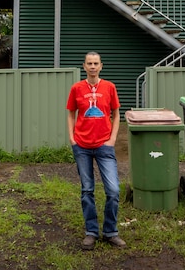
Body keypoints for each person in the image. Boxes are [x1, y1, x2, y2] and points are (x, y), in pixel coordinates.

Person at [66, 51, 126, 250]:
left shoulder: (109, 87)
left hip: (103, 146)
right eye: (89, 63)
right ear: (84, 66)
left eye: (96, 63)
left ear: (101, 66)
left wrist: (113, 139)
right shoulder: (77, 88)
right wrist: (72, 138)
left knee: (113, 190)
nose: (92, 66)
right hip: (82, 146)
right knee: (87, 190)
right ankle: (91, 232)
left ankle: (110, 231)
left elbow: (117, 114)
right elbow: (71, 113)